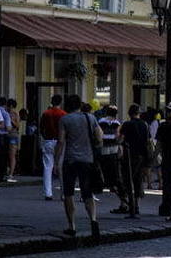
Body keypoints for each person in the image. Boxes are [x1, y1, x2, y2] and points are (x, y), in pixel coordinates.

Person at [55, 94, 103, 238]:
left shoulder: (64, 120)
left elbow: (61, 141)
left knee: (68, 194)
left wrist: (56, 160)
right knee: (88, 193)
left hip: (70, 160)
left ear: (67, 106)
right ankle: (93, 220)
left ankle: (72, 226)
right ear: (79, 105)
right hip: (87, 160)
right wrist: (96, 146)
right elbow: (99, 136)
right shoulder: (90, 117)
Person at [116, 104, 148, 216]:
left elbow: (120, 140)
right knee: (138, 180)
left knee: (128, 180)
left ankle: (130, 206)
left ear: (129, 114)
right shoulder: (144, 125)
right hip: (141, 156)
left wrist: (117, 137)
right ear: (139, 113)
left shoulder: (127, 124)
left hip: (129, 156)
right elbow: (147, 141)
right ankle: (137, 205)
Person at [38, 94, 66, 201]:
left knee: (47, 167)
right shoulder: (63, 114)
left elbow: (41, 128)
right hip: (60, 141)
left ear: (51, 101)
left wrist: (45, 137)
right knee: (61, 167)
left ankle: (48, 193)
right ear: (60, 102)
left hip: (48, 140)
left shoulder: (46, 113)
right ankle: (63, 193)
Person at [98, 106, 124, 208]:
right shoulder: (117, 123)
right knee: (114, 170)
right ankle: (116, 187)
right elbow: (118, 136)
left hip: (104, 148)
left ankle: (106, 182)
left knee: (104, 167)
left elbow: (99, 135)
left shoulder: (101, 121)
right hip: (114, 148)